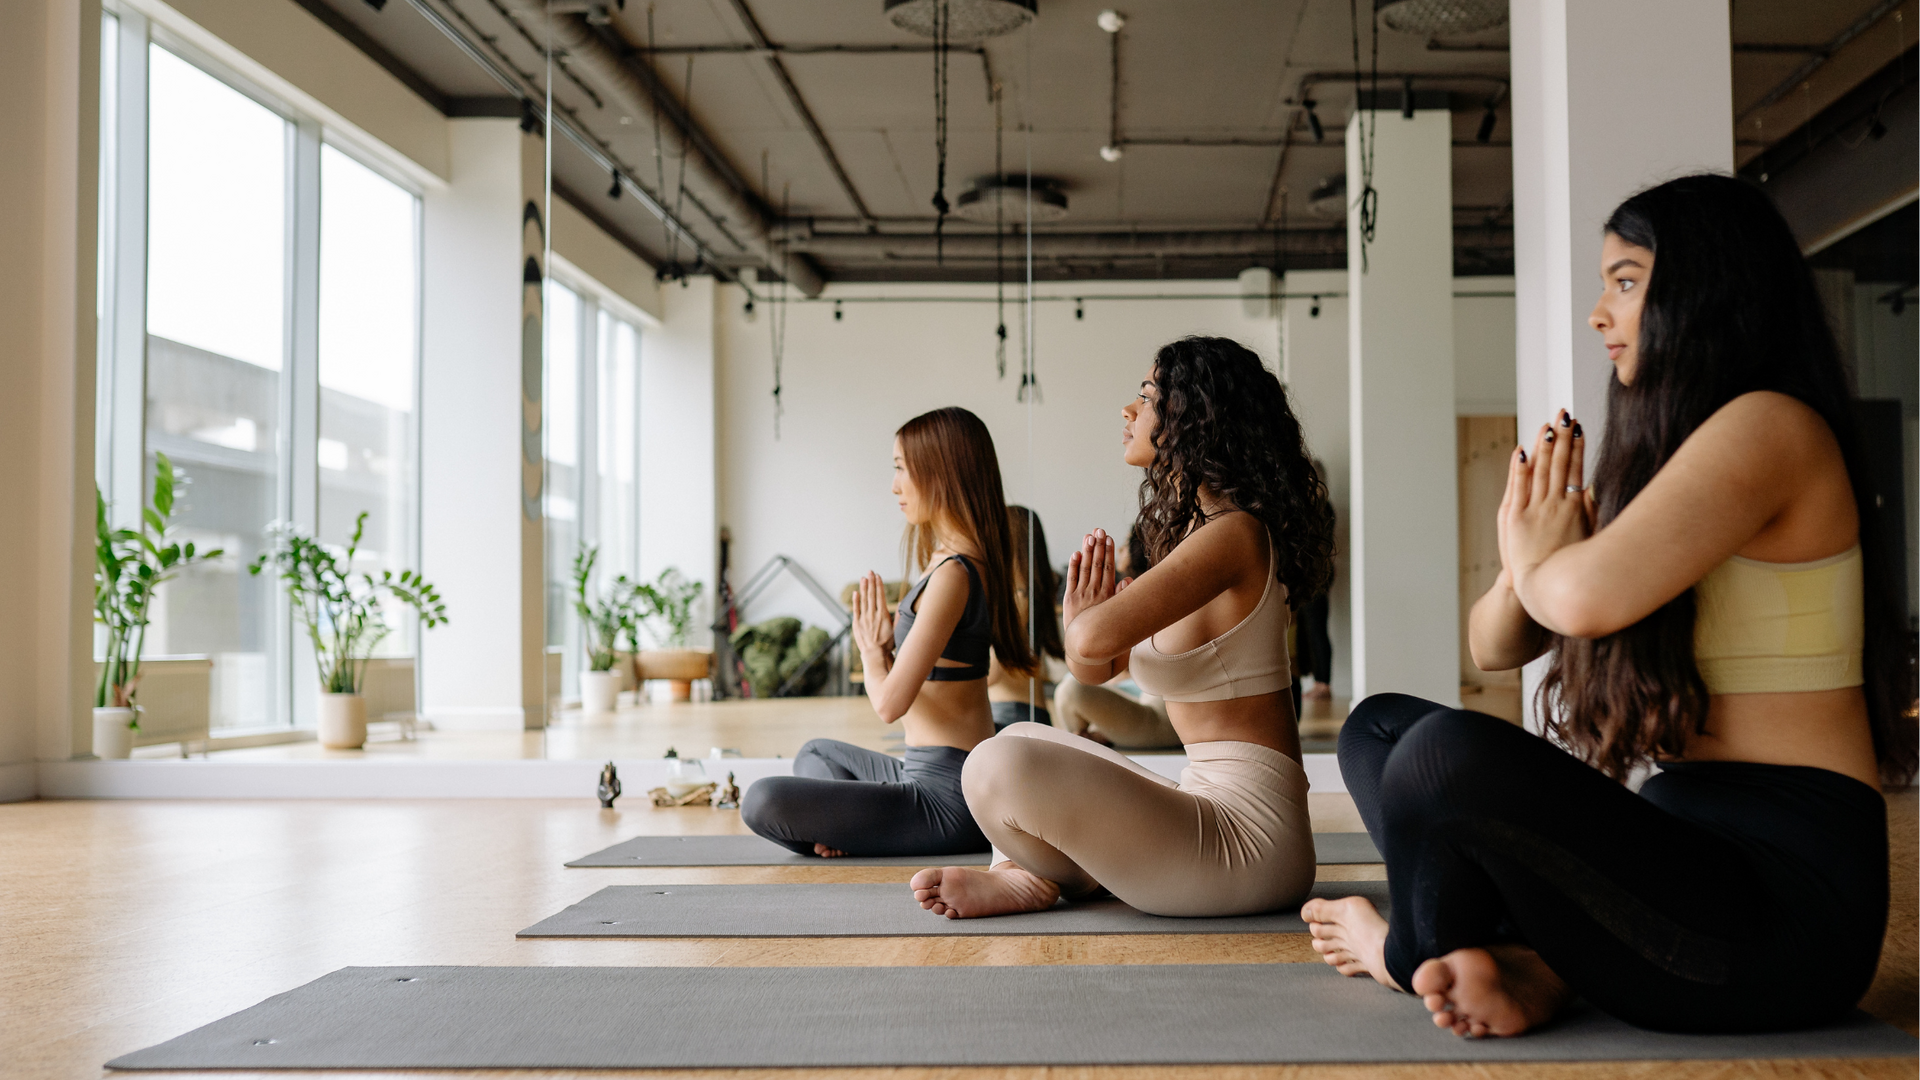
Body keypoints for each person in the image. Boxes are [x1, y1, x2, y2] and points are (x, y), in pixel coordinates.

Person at [1302, 174, 1914, 1039]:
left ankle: (1410, 952)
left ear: (1707, 289)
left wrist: (1539, 556)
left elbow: (1581, 600)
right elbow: (1493, 647)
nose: (1599, 313)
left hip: (1785, 919)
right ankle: (1538, 966)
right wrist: (1524, 566)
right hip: (1681, 865)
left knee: (1441, 755)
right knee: (1380, 729)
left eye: (1624, 282)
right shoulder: (1685, 462)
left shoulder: (1773, 427)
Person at [910, 336, 1336, 918]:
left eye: (1147, 396)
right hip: (1205, 806)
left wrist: (1084, 622)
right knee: (1013, 741)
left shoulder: (1235, 536)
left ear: (1196, 419)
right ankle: (1035, 874)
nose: (1128, 410)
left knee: (993, 765)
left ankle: (1041, 876)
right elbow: (1094, 667)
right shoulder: (1194, 539)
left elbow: (1089, 643)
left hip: (1252, 845)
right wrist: (1080, 620)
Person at [741, 407, 1034, 857]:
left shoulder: (956, 573)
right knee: (816, 752)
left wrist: (872, 653)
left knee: (762, 800)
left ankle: (843, 828)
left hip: (948, 799)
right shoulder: (948, 561)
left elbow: (889, 703)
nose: (895, 485)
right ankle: (844, 826)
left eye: (901, 468)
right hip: (919, 773)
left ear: (941, 472)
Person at [986, 506, 1064, 731]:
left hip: (1010, 715)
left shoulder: (1018, 599)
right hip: (1026, 714)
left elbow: (991, 674)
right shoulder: (1032, 592)